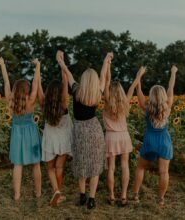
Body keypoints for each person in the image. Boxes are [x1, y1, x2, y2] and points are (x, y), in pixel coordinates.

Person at [57, 50, 112, 210]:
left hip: (80, 131)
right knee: (95, 166)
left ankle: (82, 196)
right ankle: (92, 199)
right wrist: (106, 60)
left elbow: (68, 74)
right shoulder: (97, 93)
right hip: (94, 130)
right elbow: (103, 76)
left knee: (81, 163)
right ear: (94, 81)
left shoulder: (76, 91)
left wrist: (61, 62)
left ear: (83, 80)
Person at [0, 55, 42, 201]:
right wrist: (37, 66)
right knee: (36, 164)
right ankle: (38, 192)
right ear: (27, 90)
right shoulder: (31, 99)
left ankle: (17, 195)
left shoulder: (10, 99)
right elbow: (35, 82)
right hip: (32, 133)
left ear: (16, 89)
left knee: (18, 164)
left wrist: (3, 65)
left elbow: (6, 81)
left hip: (17, 133)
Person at [131, 65, 178, 206]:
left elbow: (138, 90)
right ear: (163, 96)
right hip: (164, 141)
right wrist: (173, 73)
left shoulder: (146, 108)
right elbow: (171, 87)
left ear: (151, 96)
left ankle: (135, 196)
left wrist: (139, 75)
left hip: (150, 141)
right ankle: (161, 199)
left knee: (140, 168)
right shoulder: (167, 107)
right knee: (164, 172)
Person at [103, 59, 146, 206]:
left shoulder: (107, 101)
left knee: (112, 167)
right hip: (124, 136)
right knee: (125, 166)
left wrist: (108, 64)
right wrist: (139, 74)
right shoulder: (126, 101)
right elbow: (133, 85)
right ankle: (123, 196)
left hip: (110, 136)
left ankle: (111, 196)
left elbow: (107, 81)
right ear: (121, 91)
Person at [37, 53, 73, 207]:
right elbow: (65, 80)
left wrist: (37, 70)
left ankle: (56, 191)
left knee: (50, 168)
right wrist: (61, 62)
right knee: (59, 167)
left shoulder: (44, 102)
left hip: (50, 139)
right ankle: (59, 192)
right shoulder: (64, 102)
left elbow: (37, 86)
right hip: (64, 139)